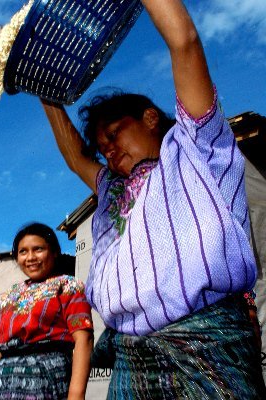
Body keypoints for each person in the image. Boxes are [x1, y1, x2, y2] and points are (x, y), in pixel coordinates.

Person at [40, 0, 266, 398]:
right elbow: (77, 158)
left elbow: (184, 42)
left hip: (205, 345)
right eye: (103, 146)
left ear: (148, 117)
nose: (108, 150)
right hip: (131, 356)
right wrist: (44, 95)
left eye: (114, 134)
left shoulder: (195, 149)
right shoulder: (112, 189)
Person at [0, 223, 94, 400]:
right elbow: (0, 346)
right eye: (23, 252)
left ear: (53, 252)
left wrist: (76, 395)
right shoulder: (12, 294)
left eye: (38, 249)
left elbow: (84, 339)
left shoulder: (68, 286)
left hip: (46, 381)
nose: (30, 257)